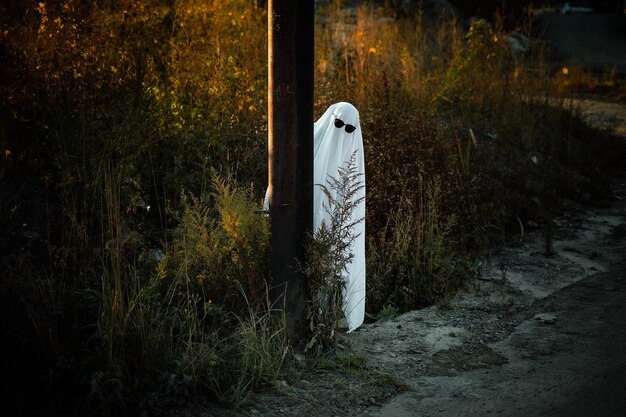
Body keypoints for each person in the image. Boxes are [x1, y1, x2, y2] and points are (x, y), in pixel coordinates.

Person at [265, 102, 366, 332]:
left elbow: (350, 209)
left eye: (349, 129)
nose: (342, 133)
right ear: (330, 119)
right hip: (295, 228)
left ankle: (318, 322)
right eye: (338, 124)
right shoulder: (309, 141)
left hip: (326, 236)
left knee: (320, 276)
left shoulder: (351, 160)